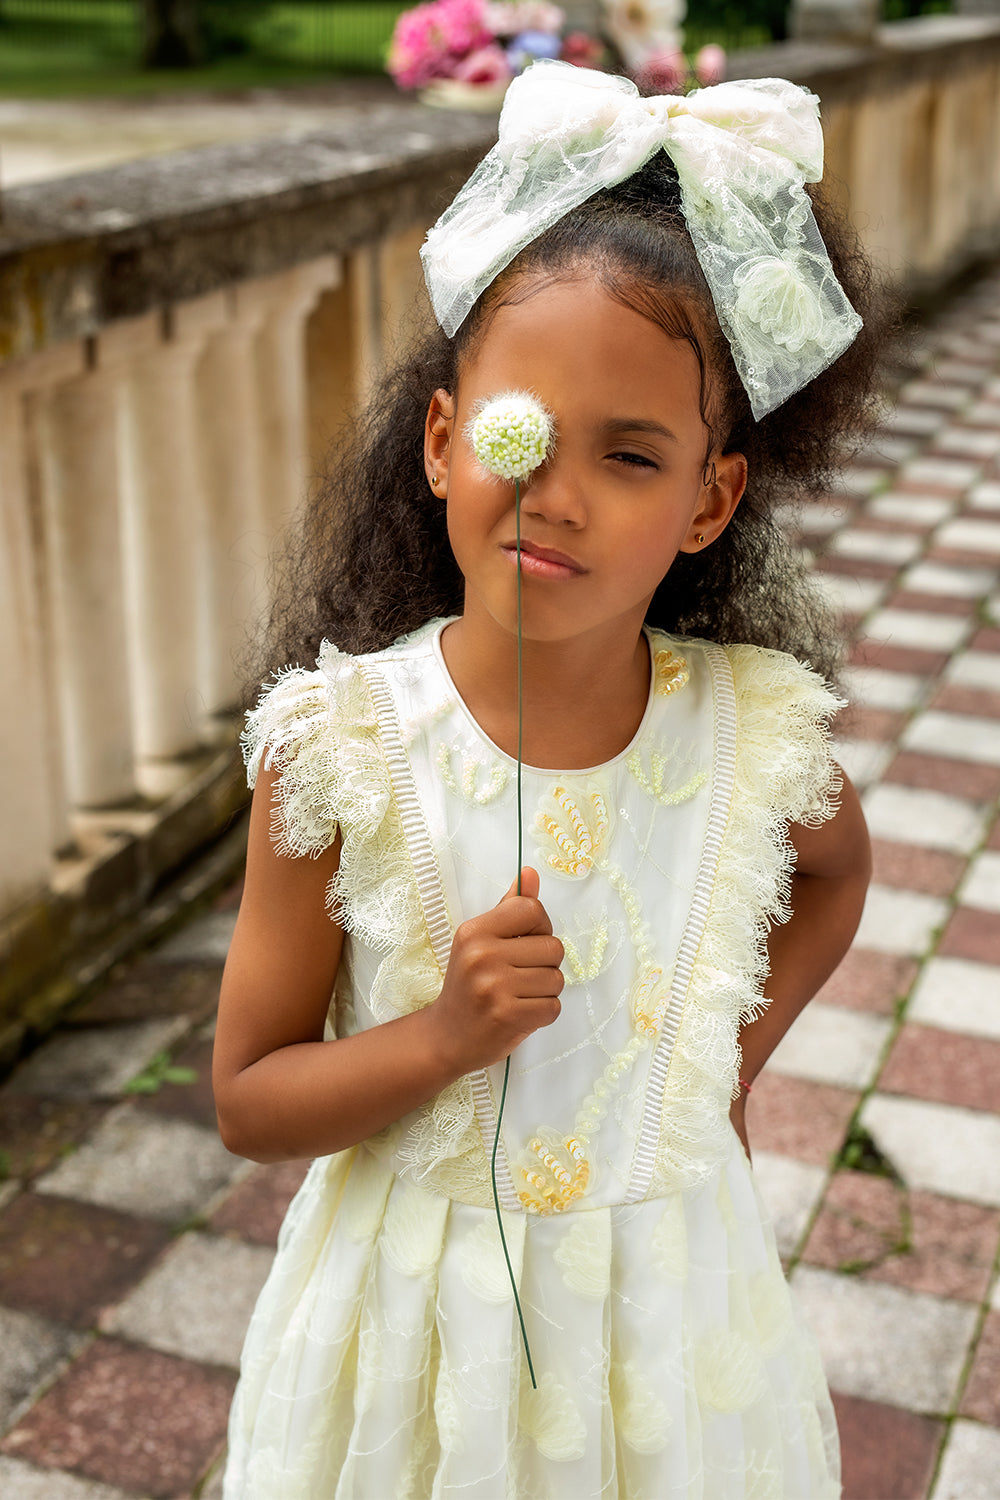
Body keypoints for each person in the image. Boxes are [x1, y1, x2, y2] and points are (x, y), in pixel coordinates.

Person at [214, 61, 881, 1499]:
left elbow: (836, 873)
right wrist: (440, 1036)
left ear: (711, 500)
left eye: (632, 455)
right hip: (410, 1341)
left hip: (664, 1325)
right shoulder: (341, 751)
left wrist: (722, 1066)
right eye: (523, 436)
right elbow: (250, 1098)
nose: (558, 492)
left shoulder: (754, 737)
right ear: (449, 441)